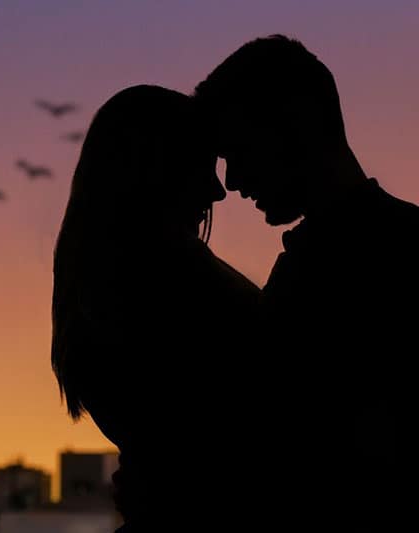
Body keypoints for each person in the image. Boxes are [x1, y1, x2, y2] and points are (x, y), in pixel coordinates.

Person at [194, 34, 419, 529]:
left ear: (296, 124)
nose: (230, 184)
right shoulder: (373, 249)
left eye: (238, 151)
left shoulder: (340, 269)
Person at [51, 85, 261, 531]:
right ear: (154, 169)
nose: (218, 191)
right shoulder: (175, 281)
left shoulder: (96, 287)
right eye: (201, 167)